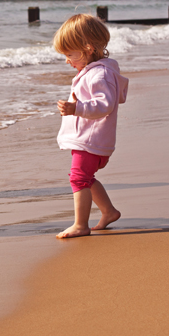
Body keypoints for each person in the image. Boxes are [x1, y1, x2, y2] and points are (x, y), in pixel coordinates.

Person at [53, 14, 128, 239]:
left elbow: (104, 105)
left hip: (91, 139)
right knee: (85, 178)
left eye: (69, 54)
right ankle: (109, 211)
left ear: (87, 49)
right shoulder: (96, 70)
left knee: (78, 179)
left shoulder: (99, 74)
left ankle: (80, 225)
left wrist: (76, 109)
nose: (67, 60)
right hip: (92, 138)